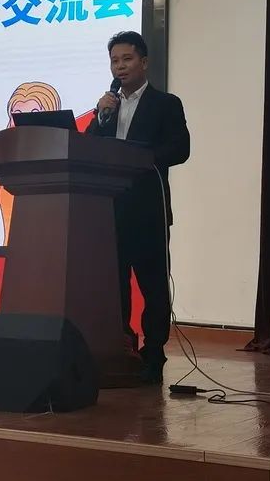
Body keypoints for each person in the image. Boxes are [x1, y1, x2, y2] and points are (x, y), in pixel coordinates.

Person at [86, 31, 190, 384]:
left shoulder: (166, 104)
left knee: (153, 286)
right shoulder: (107, 107)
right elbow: (88, 148)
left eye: (127, 59)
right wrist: (101, 116)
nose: (120, 66)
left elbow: (180, 148)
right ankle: (123, 348)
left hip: (148, 210)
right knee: (115, 285)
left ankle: (154, 353)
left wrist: (139, 158)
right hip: (109, 212)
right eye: (115, 61)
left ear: (144, 62)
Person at [0, 81, 61, 245]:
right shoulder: (10, 169)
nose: (23, 120)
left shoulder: (59, 166)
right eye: (17, 114)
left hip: (49, 251)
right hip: (12, 253)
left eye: (34, 113)